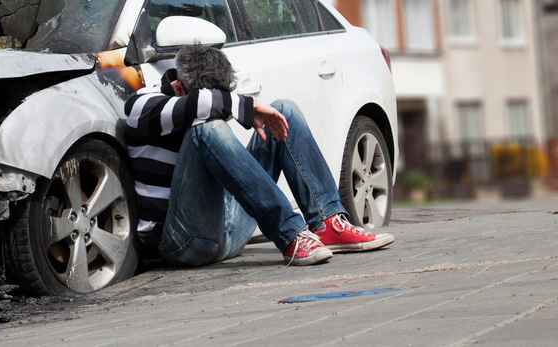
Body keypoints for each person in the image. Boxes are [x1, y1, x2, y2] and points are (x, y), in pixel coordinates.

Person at [123, 44, 393, 266]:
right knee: (207, 129)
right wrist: (247, 106)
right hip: (184, 242)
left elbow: (211, 102)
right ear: (179, 88)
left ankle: (328, 223)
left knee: (284, 110)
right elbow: (204, 103)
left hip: (230, 228)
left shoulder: (202, 99)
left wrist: (245, 106)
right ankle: (290, 235)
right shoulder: (141, 105)